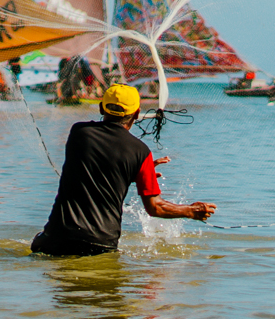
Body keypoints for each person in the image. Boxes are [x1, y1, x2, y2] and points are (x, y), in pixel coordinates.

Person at [31, 84, 217, 256]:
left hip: (56, 240)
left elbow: (93, 168)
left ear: (102, 108)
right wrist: (190, 211)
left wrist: (132, 173)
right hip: (101, 244)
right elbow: (155, 208)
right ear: (137, 114)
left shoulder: (79, 133)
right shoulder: (141, 153)